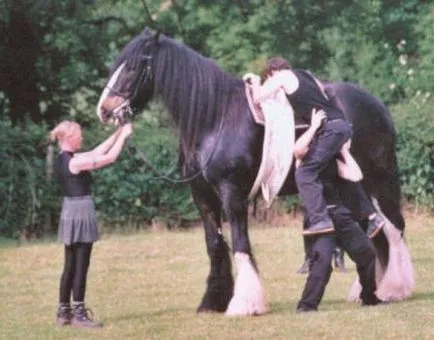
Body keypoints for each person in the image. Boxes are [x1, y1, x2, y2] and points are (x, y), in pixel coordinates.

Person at [248, 57, 384, 237]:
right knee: (338, 172)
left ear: (272, 72)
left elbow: (258, 98)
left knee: (304, 173)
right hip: (341, 125)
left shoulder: (281, 77)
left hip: (329, 130)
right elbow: (324, 95)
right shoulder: (307, 75)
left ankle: (320, 220)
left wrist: (256, 82)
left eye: (268, 77)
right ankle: (372, 217)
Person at [292, 109, 382, 312]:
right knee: (322, 264)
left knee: (366, 253)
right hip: (320, 217)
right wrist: (314, 126)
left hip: (340, 214)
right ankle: (306, 306)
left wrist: (343, 151)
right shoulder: (307, 157)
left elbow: (355, 175)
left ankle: (369, 296)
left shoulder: (333, 159)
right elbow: (297, 150)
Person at [50, 120, 133, 328]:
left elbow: (97, 150)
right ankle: (79, 314)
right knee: (81, 264)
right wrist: (124, 137)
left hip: (70, 210)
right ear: (69, 138)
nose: (82, 138)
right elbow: (109, 157)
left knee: (69, 264)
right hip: (81, 211)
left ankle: (64, 313)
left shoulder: (65, 158)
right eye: (79, 135)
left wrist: (118, 132)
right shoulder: (75, 162)